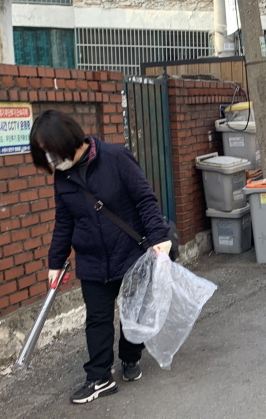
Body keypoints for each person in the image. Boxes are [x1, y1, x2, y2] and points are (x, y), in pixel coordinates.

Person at [29, 110, 171, 404]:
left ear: (66, 140)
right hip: (92, 259)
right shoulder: (63, 177)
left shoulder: (116, 158)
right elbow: (64, 221)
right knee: (97, 320)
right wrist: (55, 262)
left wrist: (159, 238)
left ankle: (131, 358)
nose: (52, 162)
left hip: (130, 254)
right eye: (46, 157)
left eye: (52, 153)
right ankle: (99, 377)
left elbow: (145, 198)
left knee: (134, 313)